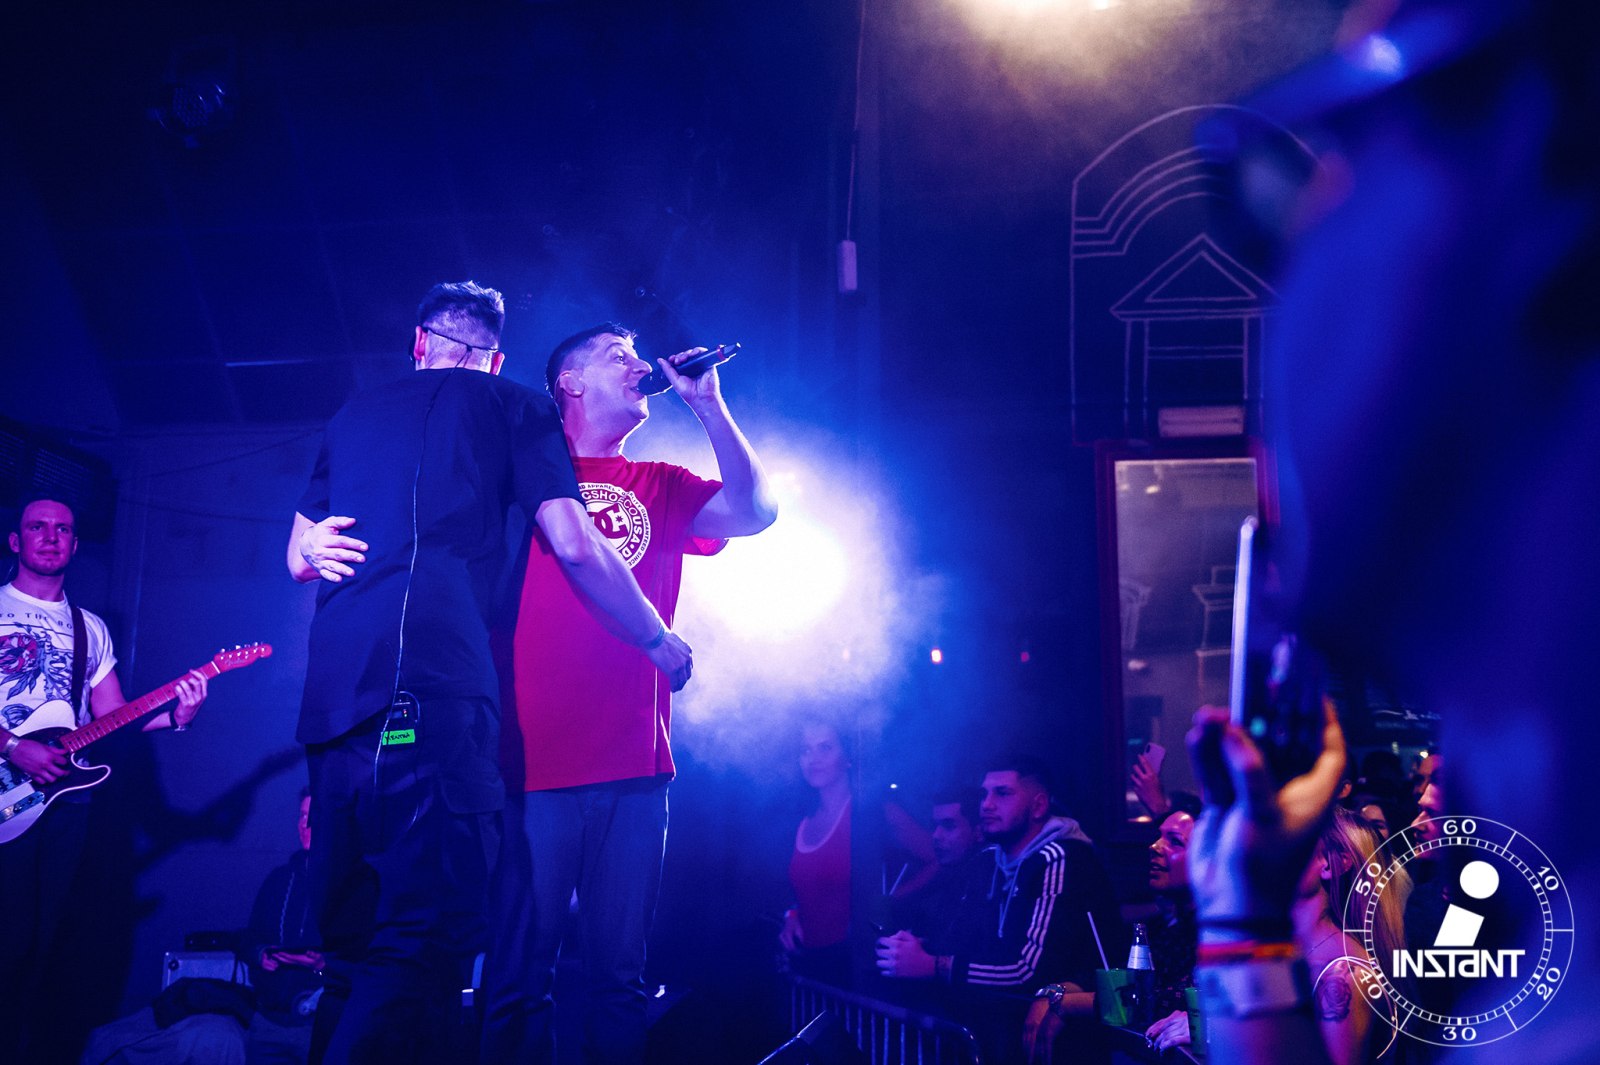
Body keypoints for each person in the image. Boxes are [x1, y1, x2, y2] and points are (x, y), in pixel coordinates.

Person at [286, 283, 692, 1065]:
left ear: (419, 343)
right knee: (423, 936)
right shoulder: (516, 407)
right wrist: (655, 635)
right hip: (433, 689)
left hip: (334, 704)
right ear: (496, 359)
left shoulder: (352, 415)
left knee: (346, 949)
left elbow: (297, 554)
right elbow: (574, 542)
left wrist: (310, 551)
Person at [479, 322, 775, 1064]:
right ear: (569, 383)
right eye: (619, 355)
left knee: (620, 980)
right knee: (519, 976)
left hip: (635, 764)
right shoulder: (521, 476)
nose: (640, 366)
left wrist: (708, 405)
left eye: (639, 356)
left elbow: (757, 513)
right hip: (530, 763)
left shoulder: (661, 483)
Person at [0, 495, 209, 1059]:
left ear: (75, 544)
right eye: (37, 527)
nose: (50, 536)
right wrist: (14, 747)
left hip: (61, 804)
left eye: (63, 529)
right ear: (16, 541)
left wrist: (177, 715)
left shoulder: (89, 628)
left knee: (43, 952)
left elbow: (112, 718)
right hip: (5, 787)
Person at [877, 757, 1115, 1064]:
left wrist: (933, 965)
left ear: (1038, 806)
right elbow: (963, 940)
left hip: (1062, 1042)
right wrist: (917, 948)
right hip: (999, 1033)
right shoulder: (988, 859)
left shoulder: (1059, 857)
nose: (986, 804)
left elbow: (1029, 971)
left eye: (1002, 793)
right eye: (984, 794)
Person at [778, 719, 937, 985]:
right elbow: (806, 889)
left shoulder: (874, 814)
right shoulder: (800, 820)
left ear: (848, 758)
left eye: (825, 747)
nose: (813, 758)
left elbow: (940, 858)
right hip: (807, 969)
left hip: (857, 971)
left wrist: (894, 897)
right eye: (805, 750)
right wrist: (791, 915)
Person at [239, 787, 322, 1064]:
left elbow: (366, 953)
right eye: (301, 816)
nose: (304, 825)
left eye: (313, 817)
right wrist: (261, 954)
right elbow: (249, 936)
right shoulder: (280, 879)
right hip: (269, 1024)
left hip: (319, 1024)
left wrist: (324, 964)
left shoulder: (351, 882)